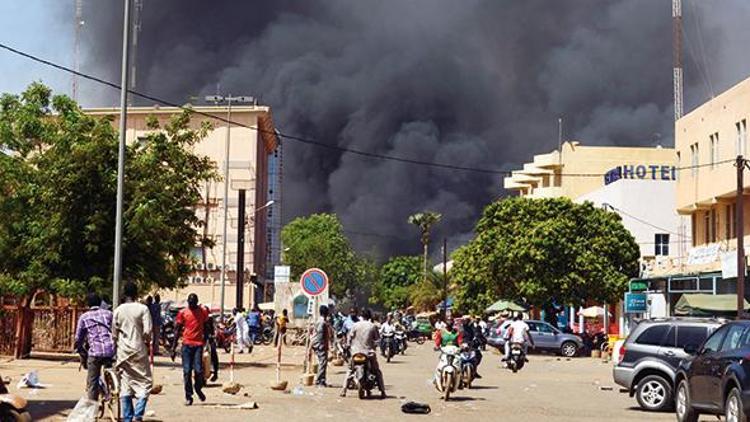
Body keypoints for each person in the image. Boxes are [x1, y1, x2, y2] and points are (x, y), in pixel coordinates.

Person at [113, 282, 153, 422]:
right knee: (145, 382)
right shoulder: (143, 309)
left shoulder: (118, 310)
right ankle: (138, 413)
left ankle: (128, 418)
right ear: (136, 294)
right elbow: (147, 332)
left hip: (123, 351)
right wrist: (146, 340)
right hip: (138, 350)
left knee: (126, 384)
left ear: (124, 294)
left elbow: (114, 333)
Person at [75, 292, 116, 401]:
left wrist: (79, 348)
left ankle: (92, 408)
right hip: (111, 350)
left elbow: (78, 337)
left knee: (92, 381)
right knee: (110, 364)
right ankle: (112, 386)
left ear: (88, 304)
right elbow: (115, 329)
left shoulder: (84, 317)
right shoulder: (108, 314)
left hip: (95, 352)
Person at [340, 308, 386, 398]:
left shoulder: (355, 325)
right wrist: (375, 346)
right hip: (368, 353)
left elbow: (349, 338)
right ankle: (382, 391)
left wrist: (348, 346)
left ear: (361, 316)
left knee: (349, 370)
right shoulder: (372, 326)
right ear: (369, 316)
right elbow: (377, 340)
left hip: (355, 352)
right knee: (377, 371)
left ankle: (343, 390)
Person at [175, 293, 209, 405]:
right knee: (187, 371)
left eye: (193, 303)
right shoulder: (183, 312)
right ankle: (188, 396)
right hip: (186, 345)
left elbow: (207, 326)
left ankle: (198, 388)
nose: (192, 305)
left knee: (199, 370)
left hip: (198, 344)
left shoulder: (202, 312)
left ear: (197, 302)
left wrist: (208, 340)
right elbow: (177, 329)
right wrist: (173, 347)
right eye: (190, 303)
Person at [311, 305, 331, 387]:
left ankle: (322, 380)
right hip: (320, 345)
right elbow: (320, 335)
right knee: (322, 363)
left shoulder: (321, 321)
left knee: (323, 362)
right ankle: (319, 380)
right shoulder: (322, 322)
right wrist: (321, 345)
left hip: (320, 344)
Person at [204, 305, 219, 382]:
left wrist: (212, 336)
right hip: (200, 339)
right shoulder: (198, 317)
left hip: (209, 338)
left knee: (213, 353)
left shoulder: (210, 319)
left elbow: (213, 329)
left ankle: (215, 372)